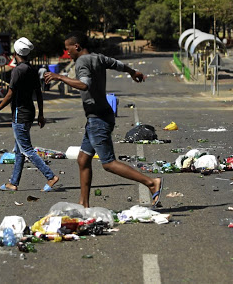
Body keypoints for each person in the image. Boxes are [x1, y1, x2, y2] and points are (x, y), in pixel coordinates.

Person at [44, 31, 163, 208]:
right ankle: (83, 204)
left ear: (76, 46)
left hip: (98, 119)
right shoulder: (97, 58)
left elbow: (85, 84)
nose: (66, 52)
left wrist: (60, 77)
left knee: (108, 163)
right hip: (98, 116)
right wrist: (133, 72)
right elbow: (118, 64)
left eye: (67, 48)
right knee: (83, 159)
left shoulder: (82, 62)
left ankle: (151, 182)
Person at [0, 37, 59, 192]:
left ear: (16, 53)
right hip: (30, 113)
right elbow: (39, 94)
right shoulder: (32, 70)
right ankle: (13, 183)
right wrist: (41, 115)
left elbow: (10, 94)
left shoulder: (17, 71)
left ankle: (50, 176)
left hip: (19, 115)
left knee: (26, 149)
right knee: (19, 150)